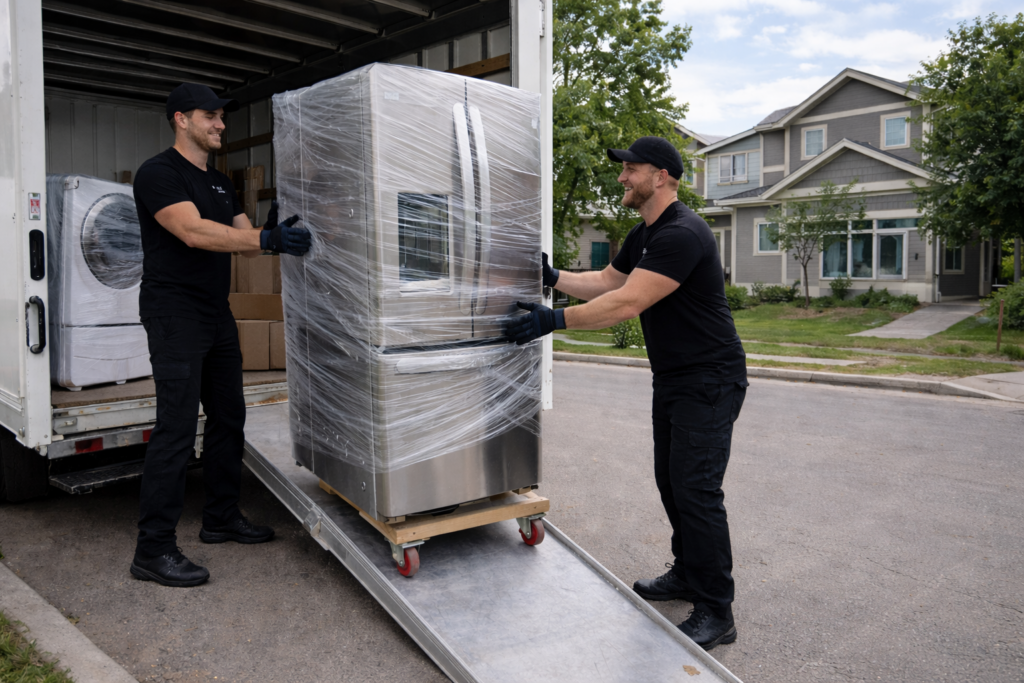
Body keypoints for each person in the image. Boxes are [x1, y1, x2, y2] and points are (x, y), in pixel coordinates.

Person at [505, 136, 748, 650]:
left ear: (661, 176)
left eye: (631, 170)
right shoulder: (646, 234)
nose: (622, 178)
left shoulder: (683, 233)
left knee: (697, 491)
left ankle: (717, 610)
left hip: (710, 379)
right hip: (677, 378)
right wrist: (554, 278)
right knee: (672, 482)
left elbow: (626, 304)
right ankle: (688, 572)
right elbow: (606, 281)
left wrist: (553, 320)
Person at [129, 83, 312, 588]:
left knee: (230, 415)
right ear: (181, 119)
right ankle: (153, 549)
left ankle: (221, 518)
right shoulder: (158, 173)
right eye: (211, 116)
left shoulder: (220, 182)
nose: (221, 124)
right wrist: (261, 237)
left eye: (221, 117)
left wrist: (270, 235)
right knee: (176, 426)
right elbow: (192, 232)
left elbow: (245, 243)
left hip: (214, 311)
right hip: (174, 313)